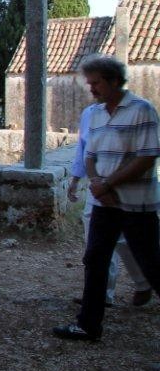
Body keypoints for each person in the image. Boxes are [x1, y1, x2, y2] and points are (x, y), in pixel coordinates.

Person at [54, 55, 160, 342]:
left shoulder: (142, 110)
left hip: (136, 204)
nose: (91, 89)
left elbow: (147, 157)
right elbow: (90, 154)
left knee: (151, 263)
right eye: (90, 83)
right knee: (95, 259)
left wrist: (108, 184)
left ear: (114, 81)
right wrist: (97, 183)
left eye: (96, 83)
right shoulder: (97, 114)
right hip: (105, 203)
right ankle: (88, 325)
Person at [66, 102, 150, 307]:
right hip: (97, 187)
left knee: (122, 238)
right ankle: (100, 294)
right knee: (96, 241)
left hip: (122, 185)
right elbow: (84, 148)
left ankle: (144, 281)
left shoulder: (136, 110)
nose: (92, 89)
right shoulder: (90, 112)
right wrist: (76, 179)